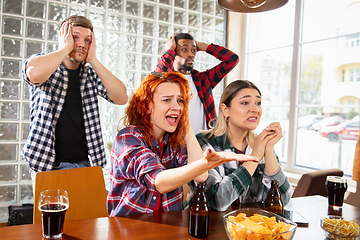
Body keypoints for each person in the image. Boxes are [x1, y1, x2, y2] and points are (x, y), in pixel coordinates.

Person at [107, 72, 257, 216]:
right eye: (166, 100)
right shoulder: (128, 137)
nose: (177, 107)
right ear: (147, 106)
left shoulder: (175, 141)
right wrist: (206, 163)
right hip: (127, 228)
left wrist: (185, 120)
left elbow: (201, 177)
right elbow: (159, 181)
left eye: (180, 101)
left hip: (168, 227)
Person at [22, 16, 128, 178]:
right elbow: (34, 74)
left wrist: (93, 59)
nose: (80, 44)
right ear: (63, 37)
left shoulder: (90, 75)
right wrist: (65, 48)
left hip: (85, 164)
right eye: (74, 37)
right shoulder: (47, 66)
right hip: (47, 164)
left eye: (87, 40)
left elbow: (121, 97)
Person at [192, 80, 294, 212]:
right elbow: (217, 201)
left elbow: (283, 199)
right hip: (215, 228)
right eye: (245, 103)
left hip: (254, 227)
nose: (255, 109)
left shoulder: (261, 143)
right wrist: (256, 155)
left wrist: (268, 149)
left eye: (258, 103)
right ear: (225, 110)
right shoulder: (205, 144)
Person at [155, 33, 239, 134]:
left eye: (194, 50)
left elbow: (232, 59)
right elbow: (156, 77)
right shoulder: (167, 80)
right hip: (175, 143)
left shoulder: (203, 79)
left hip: (204, 143)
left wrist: (205, 47)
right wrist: (170, 50)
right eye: (185, 49)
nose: (191, 54)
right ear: (174, 53)